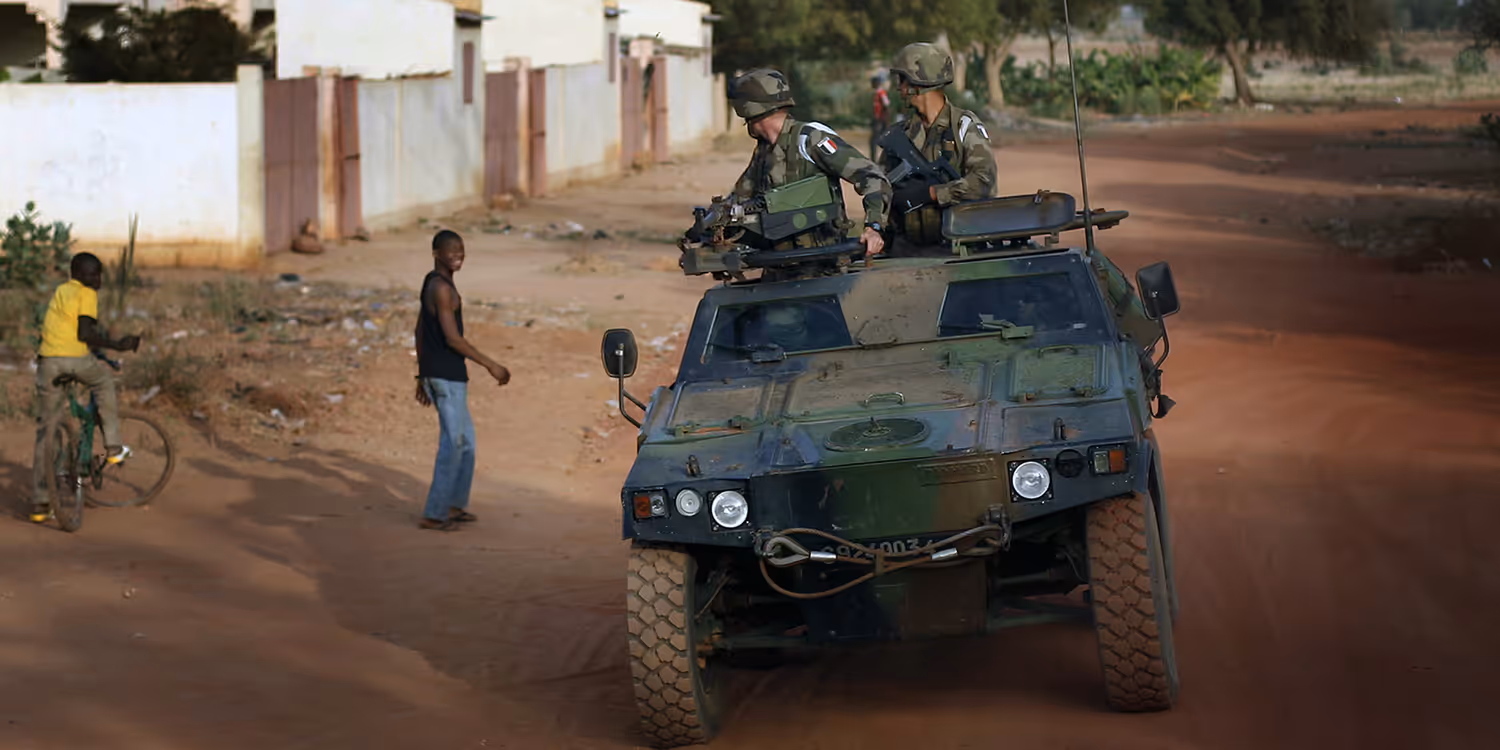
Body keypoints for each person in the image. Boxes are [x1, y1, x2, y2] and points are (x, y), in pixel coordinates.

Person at [727, 67, 891, 260]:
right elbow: (740, 198)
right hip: (779, 264)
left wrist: (874, 227)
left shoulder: (810, 139)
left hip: (822, 266)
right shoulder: (765, 151)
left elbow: (871, 176)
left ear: (749, 110)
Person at [31, 252, 140, 524]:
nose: (97, 279)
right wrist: (119, 345)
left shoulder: (61, 290)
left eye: (99, 274)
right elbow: (84, 334)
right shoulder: (87, 294)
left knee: (48, 430)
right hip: (75, 360)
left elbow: (65, 328)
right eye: (93, 274)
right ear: (79, 275)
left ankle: (40, 503)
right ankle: (114, 447)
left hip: (47, 362)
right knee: (103, 382)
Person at [413, 229, 511, 531]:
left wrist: (420, 374)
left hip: (444, 373)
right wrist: (491, 365)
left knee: (466, 443)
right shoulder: (440, 288)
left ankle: (454, 504)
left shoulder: (438, 284)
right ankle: (434, 513)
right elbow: (453, 339)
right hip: (445, 375)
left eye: (461, 250)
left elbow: (420, 330)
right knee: (453, 443)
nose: (457, 255)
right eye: (451, 250)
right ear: (435, 253)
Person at [879, 42, 998, 255]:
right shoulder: (898, 135)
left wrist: (933, 193)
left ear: (920, 82)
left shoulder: (963, 126)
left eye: (903, 80)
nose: (899, 88)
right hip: (906, 250)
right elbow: (879, 188)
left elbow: (983, 181)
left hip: (958, 248)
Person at [870, 73, 891, 156]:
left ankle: (874, 158)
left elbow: (886, 106)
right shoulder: (877, 93)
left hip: (880, 120)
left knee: (874, 140)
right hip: (878, 119)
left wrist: (885, 120)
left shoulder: (881, 93)